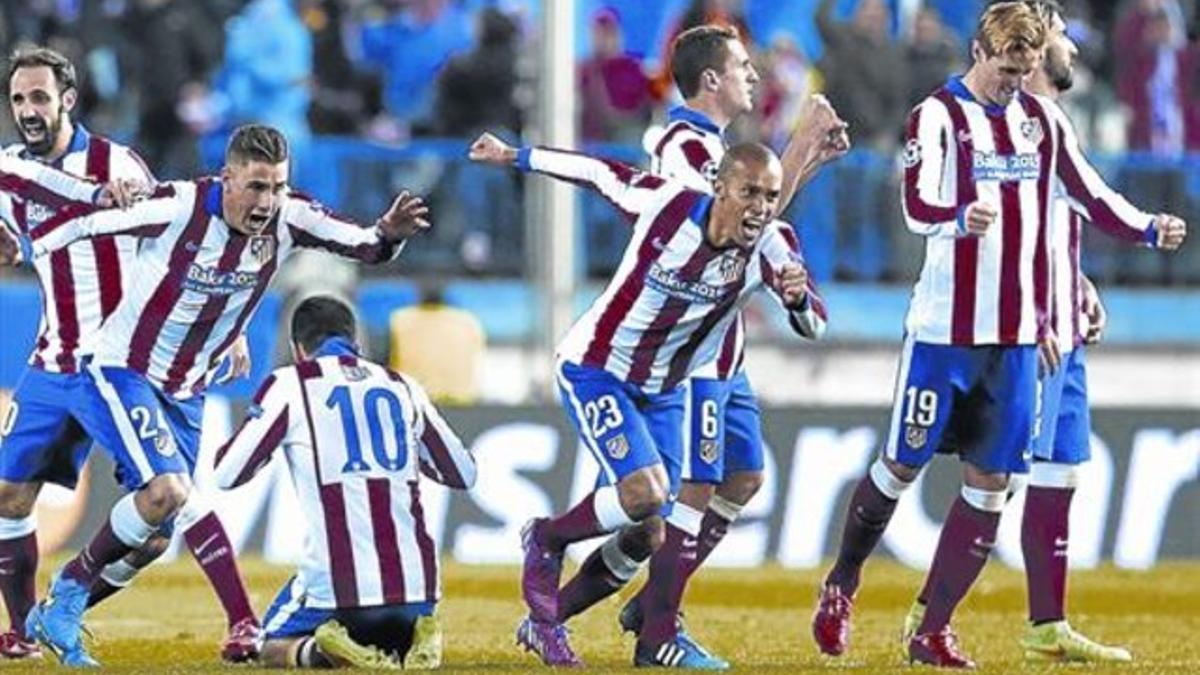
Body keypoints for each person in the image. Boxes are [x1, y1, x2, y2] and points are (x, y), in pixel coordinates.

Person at [810, 2, 1187, 668]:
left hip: (1015, 339)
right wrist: (961, 215)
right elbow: (916, 202)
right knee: (901, 465)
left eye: (1026, 70)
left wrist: (1148, 226)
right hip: (944, 336)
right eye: (1008, 69)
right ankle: (842, 579)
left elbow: (1090, 194)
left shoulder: (1042, 120)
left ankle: (931, 627)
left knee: (991, 485)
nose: (1016, 82)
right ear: (980, 52)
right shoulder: (938, 116)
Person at [0, 123, 431, 667]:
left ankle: (59, 607)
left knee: (154, 537)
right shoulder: (178, 206)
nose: (267, 201)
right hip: (123, 368)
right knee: (169, 494)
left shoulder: (290, 217)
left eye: (276, 187)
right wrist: (27, 247)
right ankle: (66, 596)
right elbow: (89, 220)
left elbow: (367, 245)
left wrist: (391, 232)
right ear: (226, 178)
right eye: (255, 187)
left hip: (188, 390)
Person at [468, 131, 827, 668]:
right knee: (644, 495)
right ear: (719, 186)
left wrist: (797, 299)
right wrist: (515, 156)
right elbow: (594, 171)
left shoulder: (774, 245)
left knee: (650, 529)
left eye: (770, 197)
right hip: (597, 369)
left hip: (667, 391)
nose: (760, 208)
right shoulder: (666, 206)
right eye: (749, 192)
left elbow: (814, 324)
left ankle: (576, 623)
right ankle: (546, 536)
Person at [551, 23, 848, 667]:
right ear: (711, 78)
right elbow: (739, 223)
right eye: (743, 65)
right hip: (696, 351)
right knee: (689, 489)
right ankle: (646, 626)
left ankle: (654, 596)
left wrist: (805, 158)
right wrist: (800, 147)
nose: (754, 73)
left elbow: (761, 210)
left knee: (743, 476)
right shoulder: (685, 145)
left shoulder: (724, 145)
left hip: (729, 343)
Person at [0, 45, 256, 663]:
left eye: (38, 97)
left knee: (158, 523)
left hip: (118, 366)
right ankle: (21, 631)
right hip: (53, 360)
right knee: (8, 499)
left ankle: (76, 607)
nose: (27, 110)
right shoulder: (9, 170)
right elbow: (11, 241)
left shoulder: (118, 165)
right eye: (17, 99)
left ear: (67, 99)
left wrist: (231, 323)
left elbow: (177, 241)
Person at [213, 295, 476, 669]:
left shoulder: (290, 384)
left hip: (341, 590)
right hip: (419, 592)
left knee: (264, 648)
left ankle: (327, 653)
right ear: (358, 342)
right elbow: (464, 473)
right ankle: (417, 640)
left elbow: (226, 475)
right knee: (392, 625)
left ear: (297, 349)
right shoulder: (403, 385)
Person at [1009, 1, 1131, 662]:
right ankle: (925, 614)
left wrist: (1075, 281)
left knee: (1059, 472)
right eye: (1063, 39)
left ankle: (1046, 622)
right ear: (1033, 47)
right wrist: (1036, 305)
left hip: (1063, 322)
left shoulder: (1050, 126)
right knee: (990, 475)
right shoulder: (1015, 128)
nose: (1075, 52)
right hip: (1025, 330)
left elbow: (1051, 221)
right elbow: (998, 232)